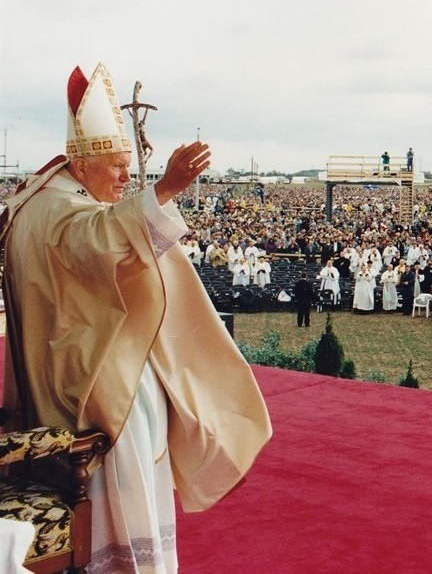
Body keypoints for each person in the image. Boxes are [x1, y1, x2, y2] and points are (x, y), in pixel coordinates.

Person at [0, 62, 271, 572]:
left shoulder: (40, 196)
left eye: (129, 166)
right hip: (91, 382)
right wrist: (164, 189)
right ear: (82, 165)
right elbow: (97, 240)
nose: (127, 178)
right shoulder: (60, 210)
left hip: (63, 364)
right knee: (132, 456)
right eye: (117, 167)